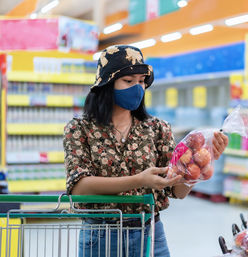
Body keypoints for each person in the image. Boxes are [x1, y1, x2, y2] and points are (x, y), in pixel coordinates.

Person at [63, 45, 228, 257]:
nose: (137, 88)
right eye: (129, 81)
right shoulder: (79, 129)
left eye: (142, 81)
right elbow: (79, 188)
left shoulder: (158, 128)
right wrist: (140, 180)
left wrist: (200, 163)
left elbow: (177, 191)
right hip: (101, 235)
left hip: (149, 233)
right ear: (106, 83)